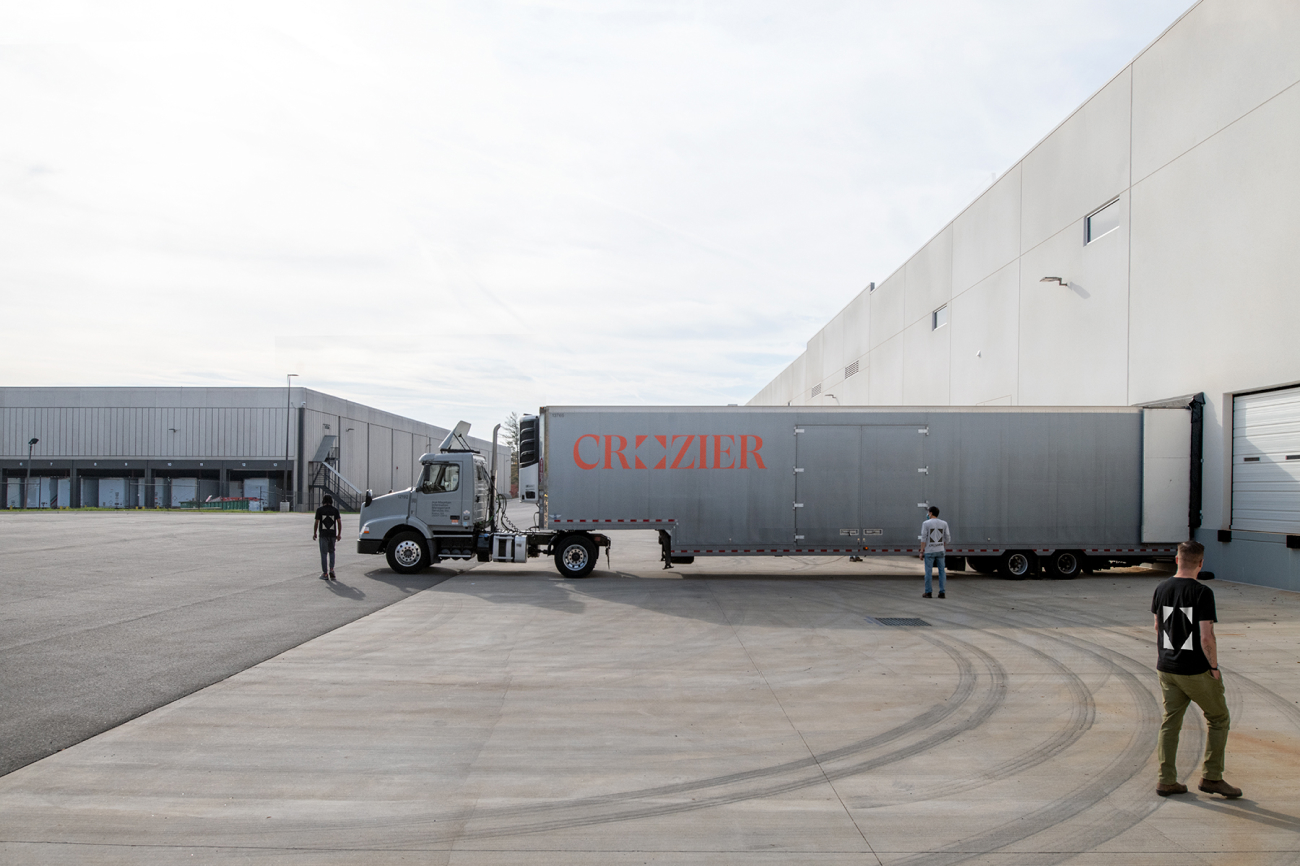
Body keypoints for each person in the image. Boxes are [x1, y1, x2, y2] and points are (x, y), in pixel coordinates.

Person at [1151, 540, 1241, 798]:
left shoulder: (1161, 588)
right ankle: (1212, 777)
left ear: (1176, 560)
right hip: (1194, 670)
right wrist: (1213, 667)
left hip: (1166, 667)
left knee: (1170, 722)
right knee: (1219, 718)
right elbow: (1206, 636)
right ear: (1201, 563)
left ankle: (1166, 780)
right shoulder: (1202, 593)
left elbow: (1158, 628)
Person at [920, 506, 951, 599]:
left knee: (928, 572)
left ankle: (928, 592)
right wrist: (943, 545)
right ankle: (942, 592)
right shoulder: (944, 523)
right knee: (942, 572)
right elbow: (948, 537)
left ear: (930, 513)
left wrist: (921, 551)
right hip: (940, 551)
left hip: (930, 551)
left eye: (928, 513)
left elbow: (923, 538)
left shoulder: (926, 523)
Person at [313, 494, 342, 581]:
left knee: (324, 554)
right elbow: (339, 522)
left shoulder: (319, 510)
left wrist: (315, 533)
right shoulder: (335, 510)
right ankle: (332, 569)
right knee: (332, 552)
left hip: (323, 534)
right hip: (333, 534)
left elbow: (316, 522)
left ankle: (325, 573)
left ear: (323, 501)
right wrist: (339, 534)